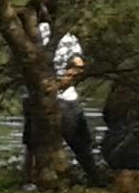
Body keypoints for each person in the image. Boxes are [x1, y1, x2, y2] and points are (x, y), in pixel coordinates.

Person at [37, 20, 100, 182]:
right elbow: (78, 65)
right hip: (66, 99)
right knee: (81, 146)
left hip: (36, 99)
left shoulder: (30, 36)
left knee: (36, 146)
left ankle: (33, 181)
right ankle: (95, 178)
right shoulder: (66, 36)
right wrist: (59, 85)